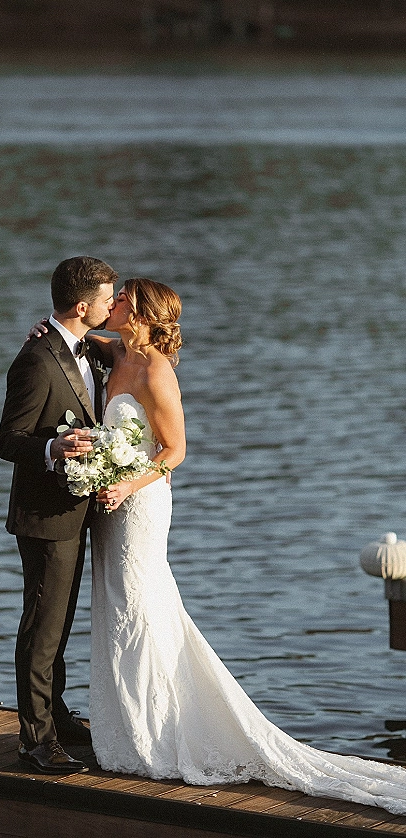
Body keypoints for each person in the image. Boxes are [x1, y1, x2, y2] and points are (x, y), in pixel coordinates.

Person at [29, 276, 406, 814]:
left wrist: (124, 483)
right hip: (110, 509)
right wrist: (48, 333)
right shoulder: (114, 354)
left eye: (119, 301)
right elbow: (72, 340)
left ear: (135, 312)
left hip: (139, 504)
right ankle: (125, 730)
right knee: (114, 608)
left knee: (140, 606)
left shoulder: (156, 371)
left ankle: (160, 733)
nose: (109, 307)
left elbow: (175, 450)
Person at [0, 255, 118, 775]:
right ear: (82, 305)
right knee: (42, 629)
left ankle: (58, 715)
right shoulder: (37, 360)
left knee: (61, 624)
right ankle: (36, 741)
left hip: (76, 512)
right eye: (108, 299)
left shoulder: (85, 346)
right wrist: (53, 446)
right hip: (44, 516)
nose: (114, 306)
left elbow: (128, 347)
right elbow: (7, 441)